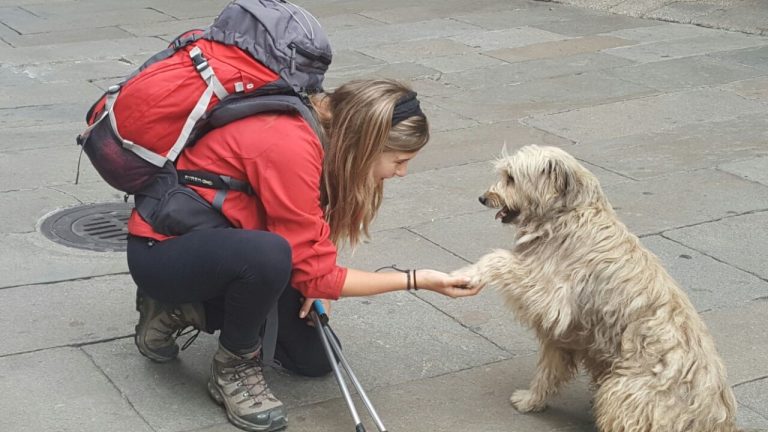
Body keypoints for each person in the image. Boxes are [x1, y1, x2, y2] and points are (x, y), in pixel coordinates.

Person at [126, 78, 481, 432]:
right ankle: (233, 365)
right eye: (399, 160)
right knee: (270, 255)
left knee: (314, 360)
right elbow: (318, 275)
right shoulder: (291, 143)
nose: (402, 173)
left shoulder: (329, 138)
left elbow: (313, 249)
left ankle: (188, 309)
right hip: (165, 251)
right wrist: (416, 280)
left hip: (235, 246)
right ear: (367, 144)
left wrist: (313, 276)